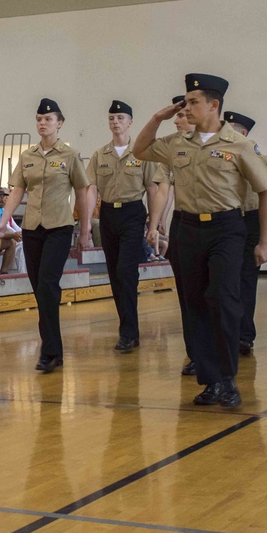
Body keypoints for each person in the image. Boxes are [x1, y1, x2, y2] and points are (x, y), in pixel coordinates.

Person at [137, 74, 267, 408]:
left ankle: (227, 378)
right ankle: (210, 380)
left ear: (214, 105)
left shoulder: (238, 144)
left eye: (193, 101)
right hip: (186, 228)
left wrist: (265, 243)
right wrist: (157, 118)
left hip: (226, 228)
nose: (186, 107)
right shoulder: (176, 142)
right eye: (185, 101)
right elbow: (140, 149)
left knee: (223, 300)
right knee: (193, 304)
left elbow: (266, 190)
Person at [0, 98, 91, 374]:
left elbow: (82, 193)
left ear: (59, 124)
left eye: (48, 119)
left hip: (59, 227)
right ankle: (53, 346)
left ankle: (50, 350)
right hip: (32, 228)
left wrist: (84, 230)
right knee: (40, 287)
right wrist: (3, 222)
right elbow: (16, 191)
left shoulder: (70, 156)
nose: (42, 123)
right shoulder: (28, 156)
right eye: (39, 119)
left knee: (48, 284)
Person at [85, 99, 157, 353]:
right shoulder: (99, 155)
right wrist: (84, 227)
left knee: (127, 272)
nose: (115, 123)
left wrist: (155, 224)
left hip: (133, 213)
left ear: (130, 122)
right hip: (108, 215)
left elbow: (152, 188)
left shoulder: (141, 153)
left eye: (120, 118)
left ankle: (128, 332)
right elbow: (91, 189)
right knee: (116, 274)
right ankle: (128, 328)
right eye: (111, 119)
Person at [150, 94, 198, 376]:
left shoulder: (219, 143)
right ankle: (195, 353)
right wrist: (155, 224)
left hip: (217, 225)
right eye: (177, 115)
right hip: (184, 223)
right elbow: (163, 189)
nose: (179, 119)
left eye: (183, 114)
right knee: (187, 295)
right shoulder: (172, 148)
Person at [224, 111, 267, 356]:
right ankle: (231, 332)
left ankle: (244, 333)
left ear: (242, 133)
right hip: (228, 217)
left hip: (248, 218)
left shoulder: (251, 150)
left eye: (230, 129)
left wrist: (264, 239)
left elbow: (264, 191)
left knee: (245, 278)